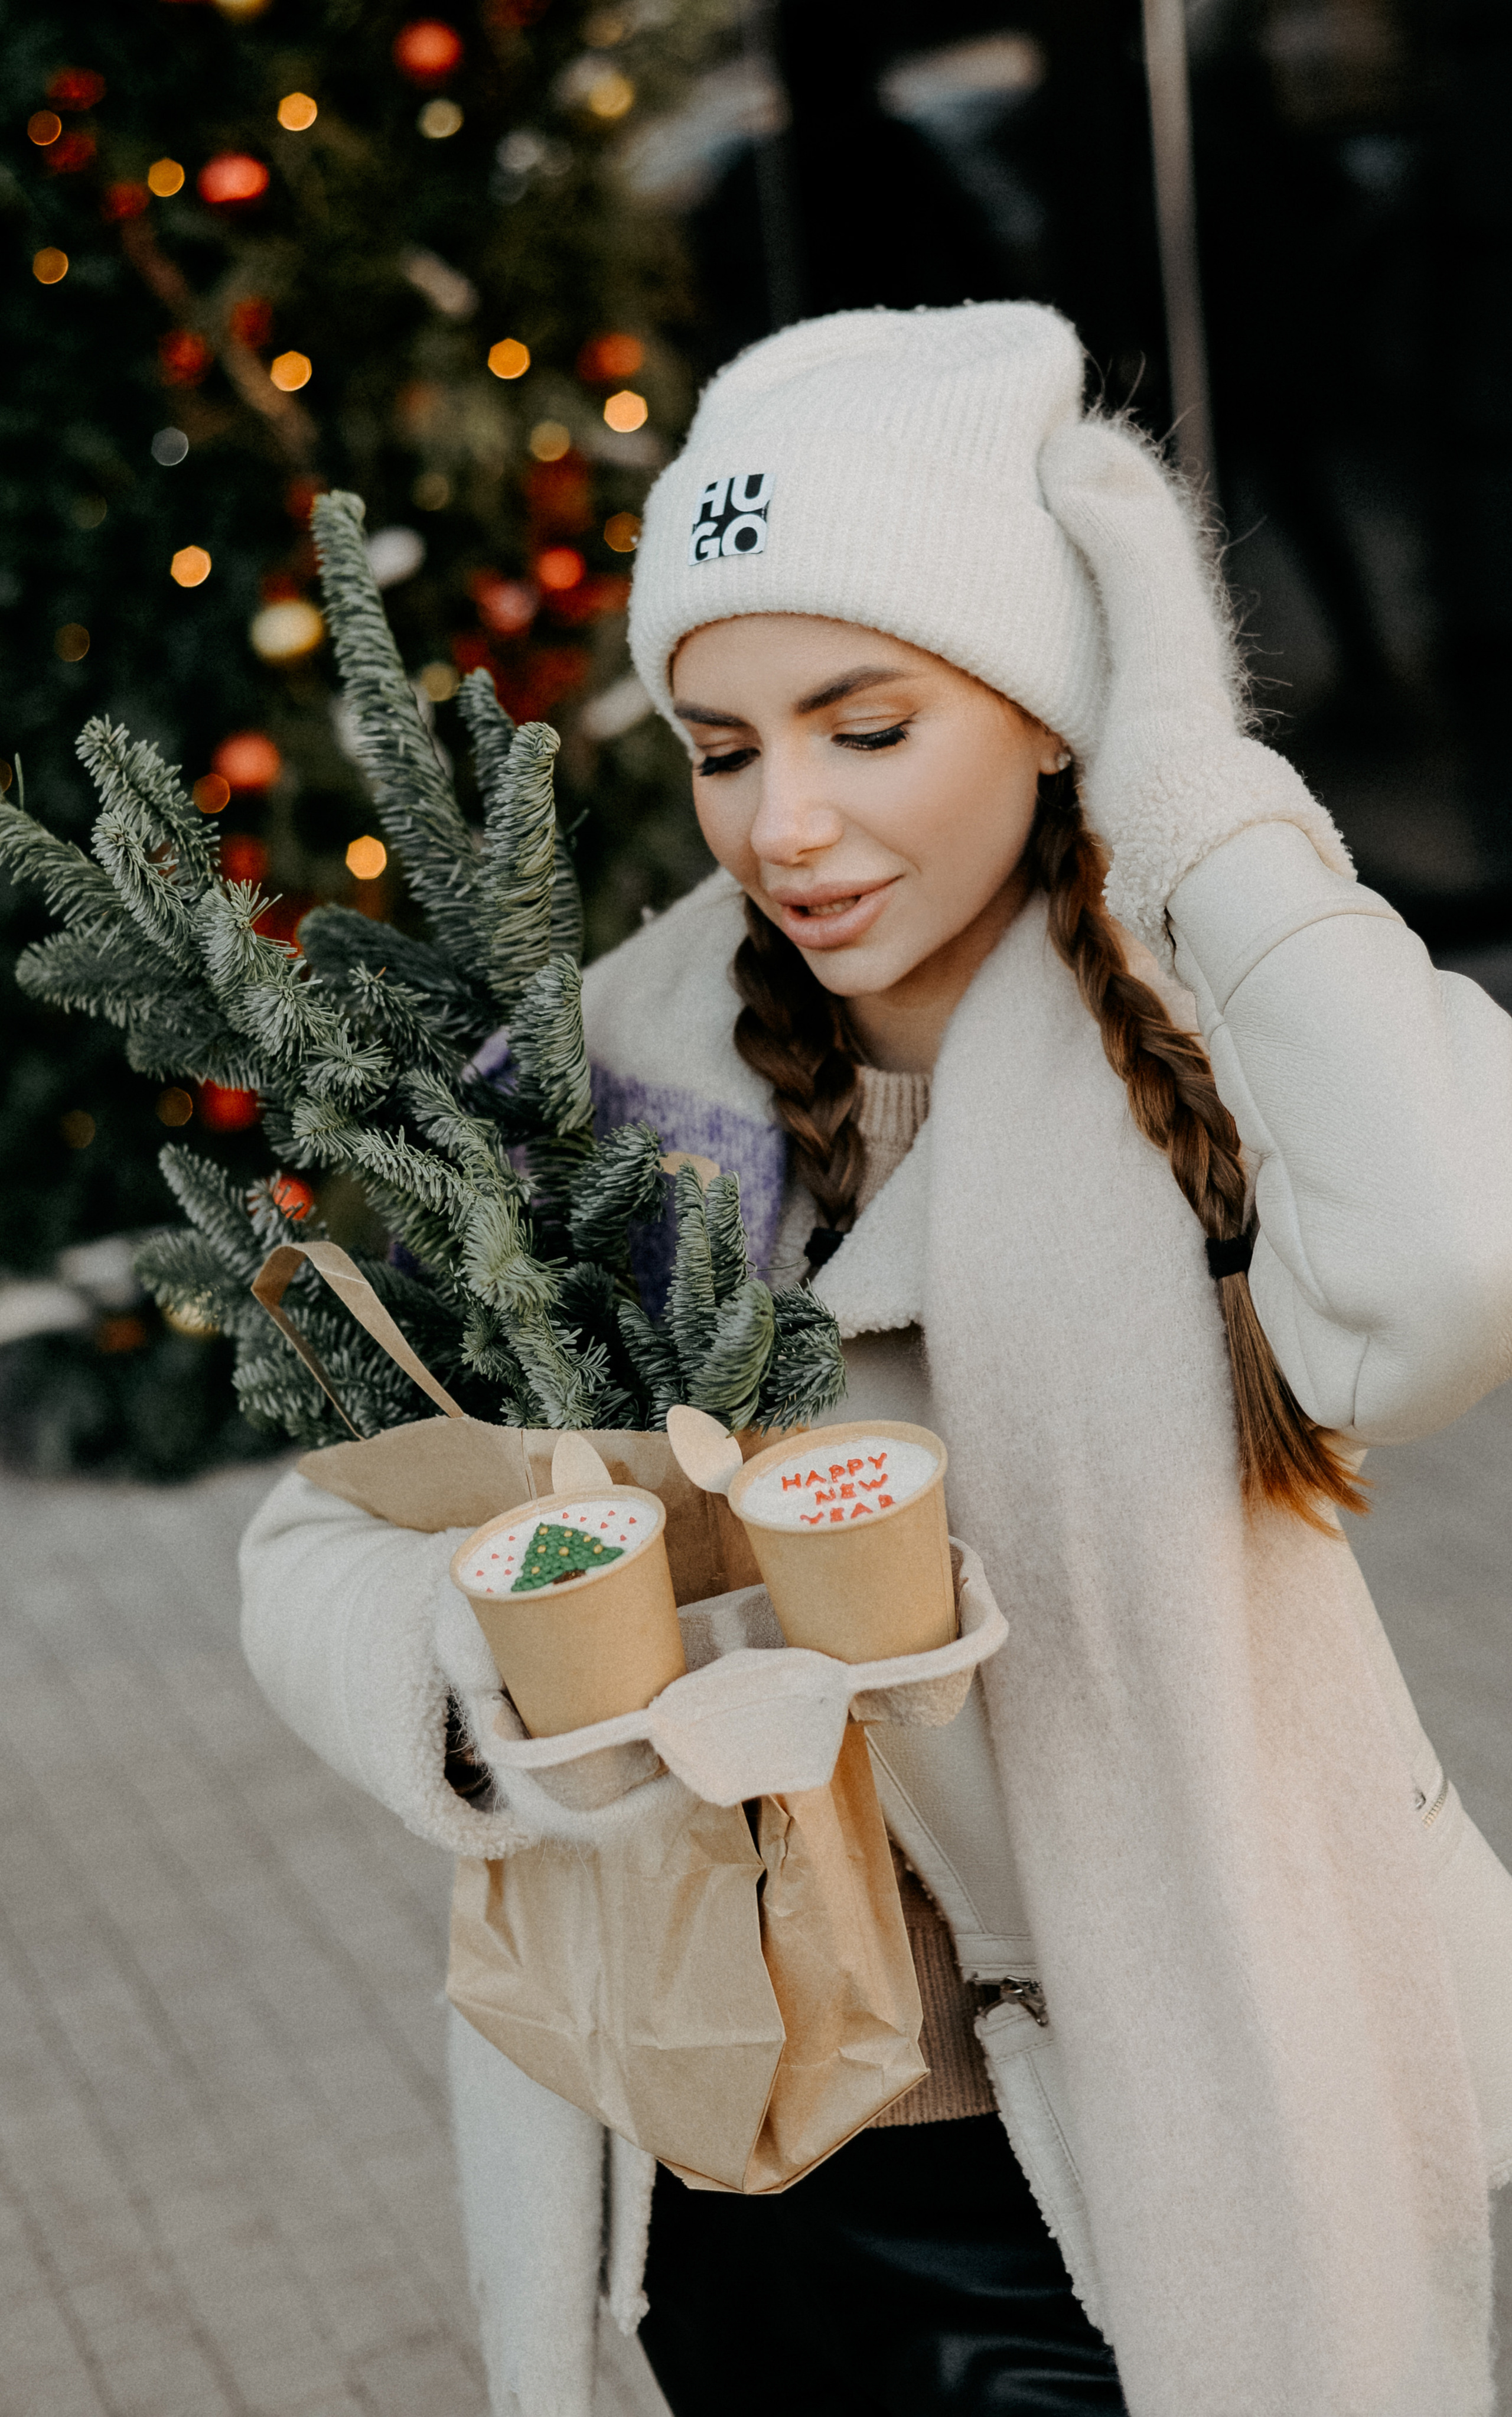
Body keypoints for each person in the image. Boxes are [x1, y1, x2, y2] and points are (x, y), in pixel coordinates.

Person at [240, 302, 1512, 2417]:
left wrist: (1200, 798)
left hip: (1183, 2155)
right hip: (755, 2154)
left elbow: (1452, 1271)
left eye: (867, 722)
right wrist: (509, 1672)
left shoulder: (1234, 1025)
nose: (789, 824)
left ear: (1041, 709)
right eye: (726, 749)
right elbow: (331, 1527)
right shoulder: (610, 1071)